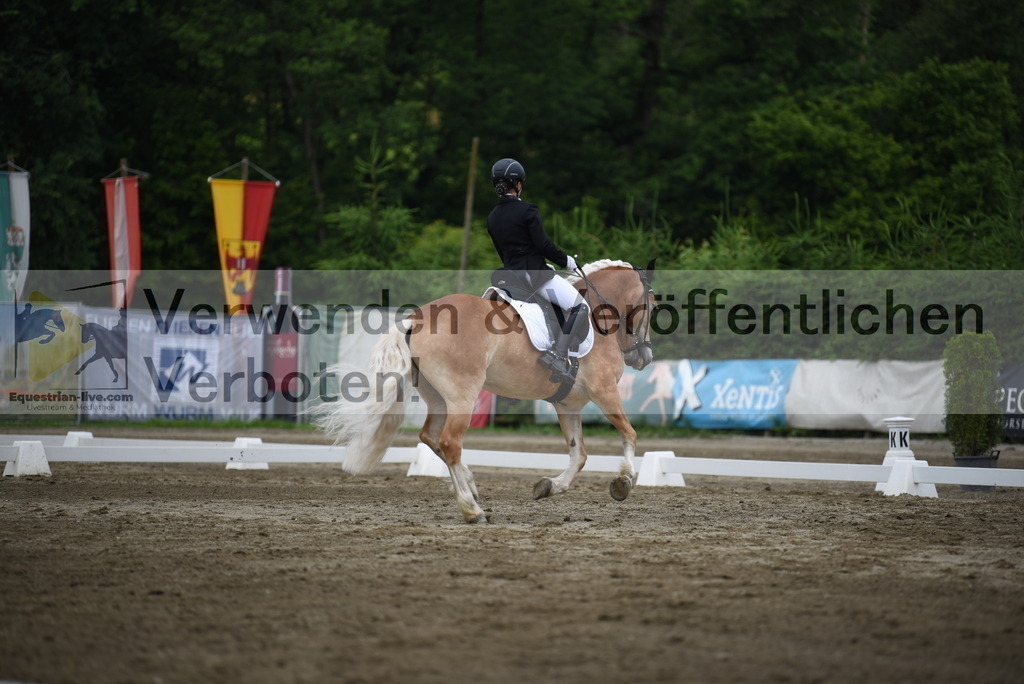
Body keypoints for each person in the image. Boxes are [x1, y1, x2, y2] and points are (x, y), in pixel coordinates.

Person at [486, 158, 588, 384]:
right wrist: (567, 261)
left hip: (510, 277)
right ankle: (558, 356)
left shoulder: (492, 217)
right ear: (518, 184)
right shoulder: (527, 210)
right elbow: (542, 245)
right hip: (534, 277)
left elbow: (508, 253)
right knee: (580, 307)